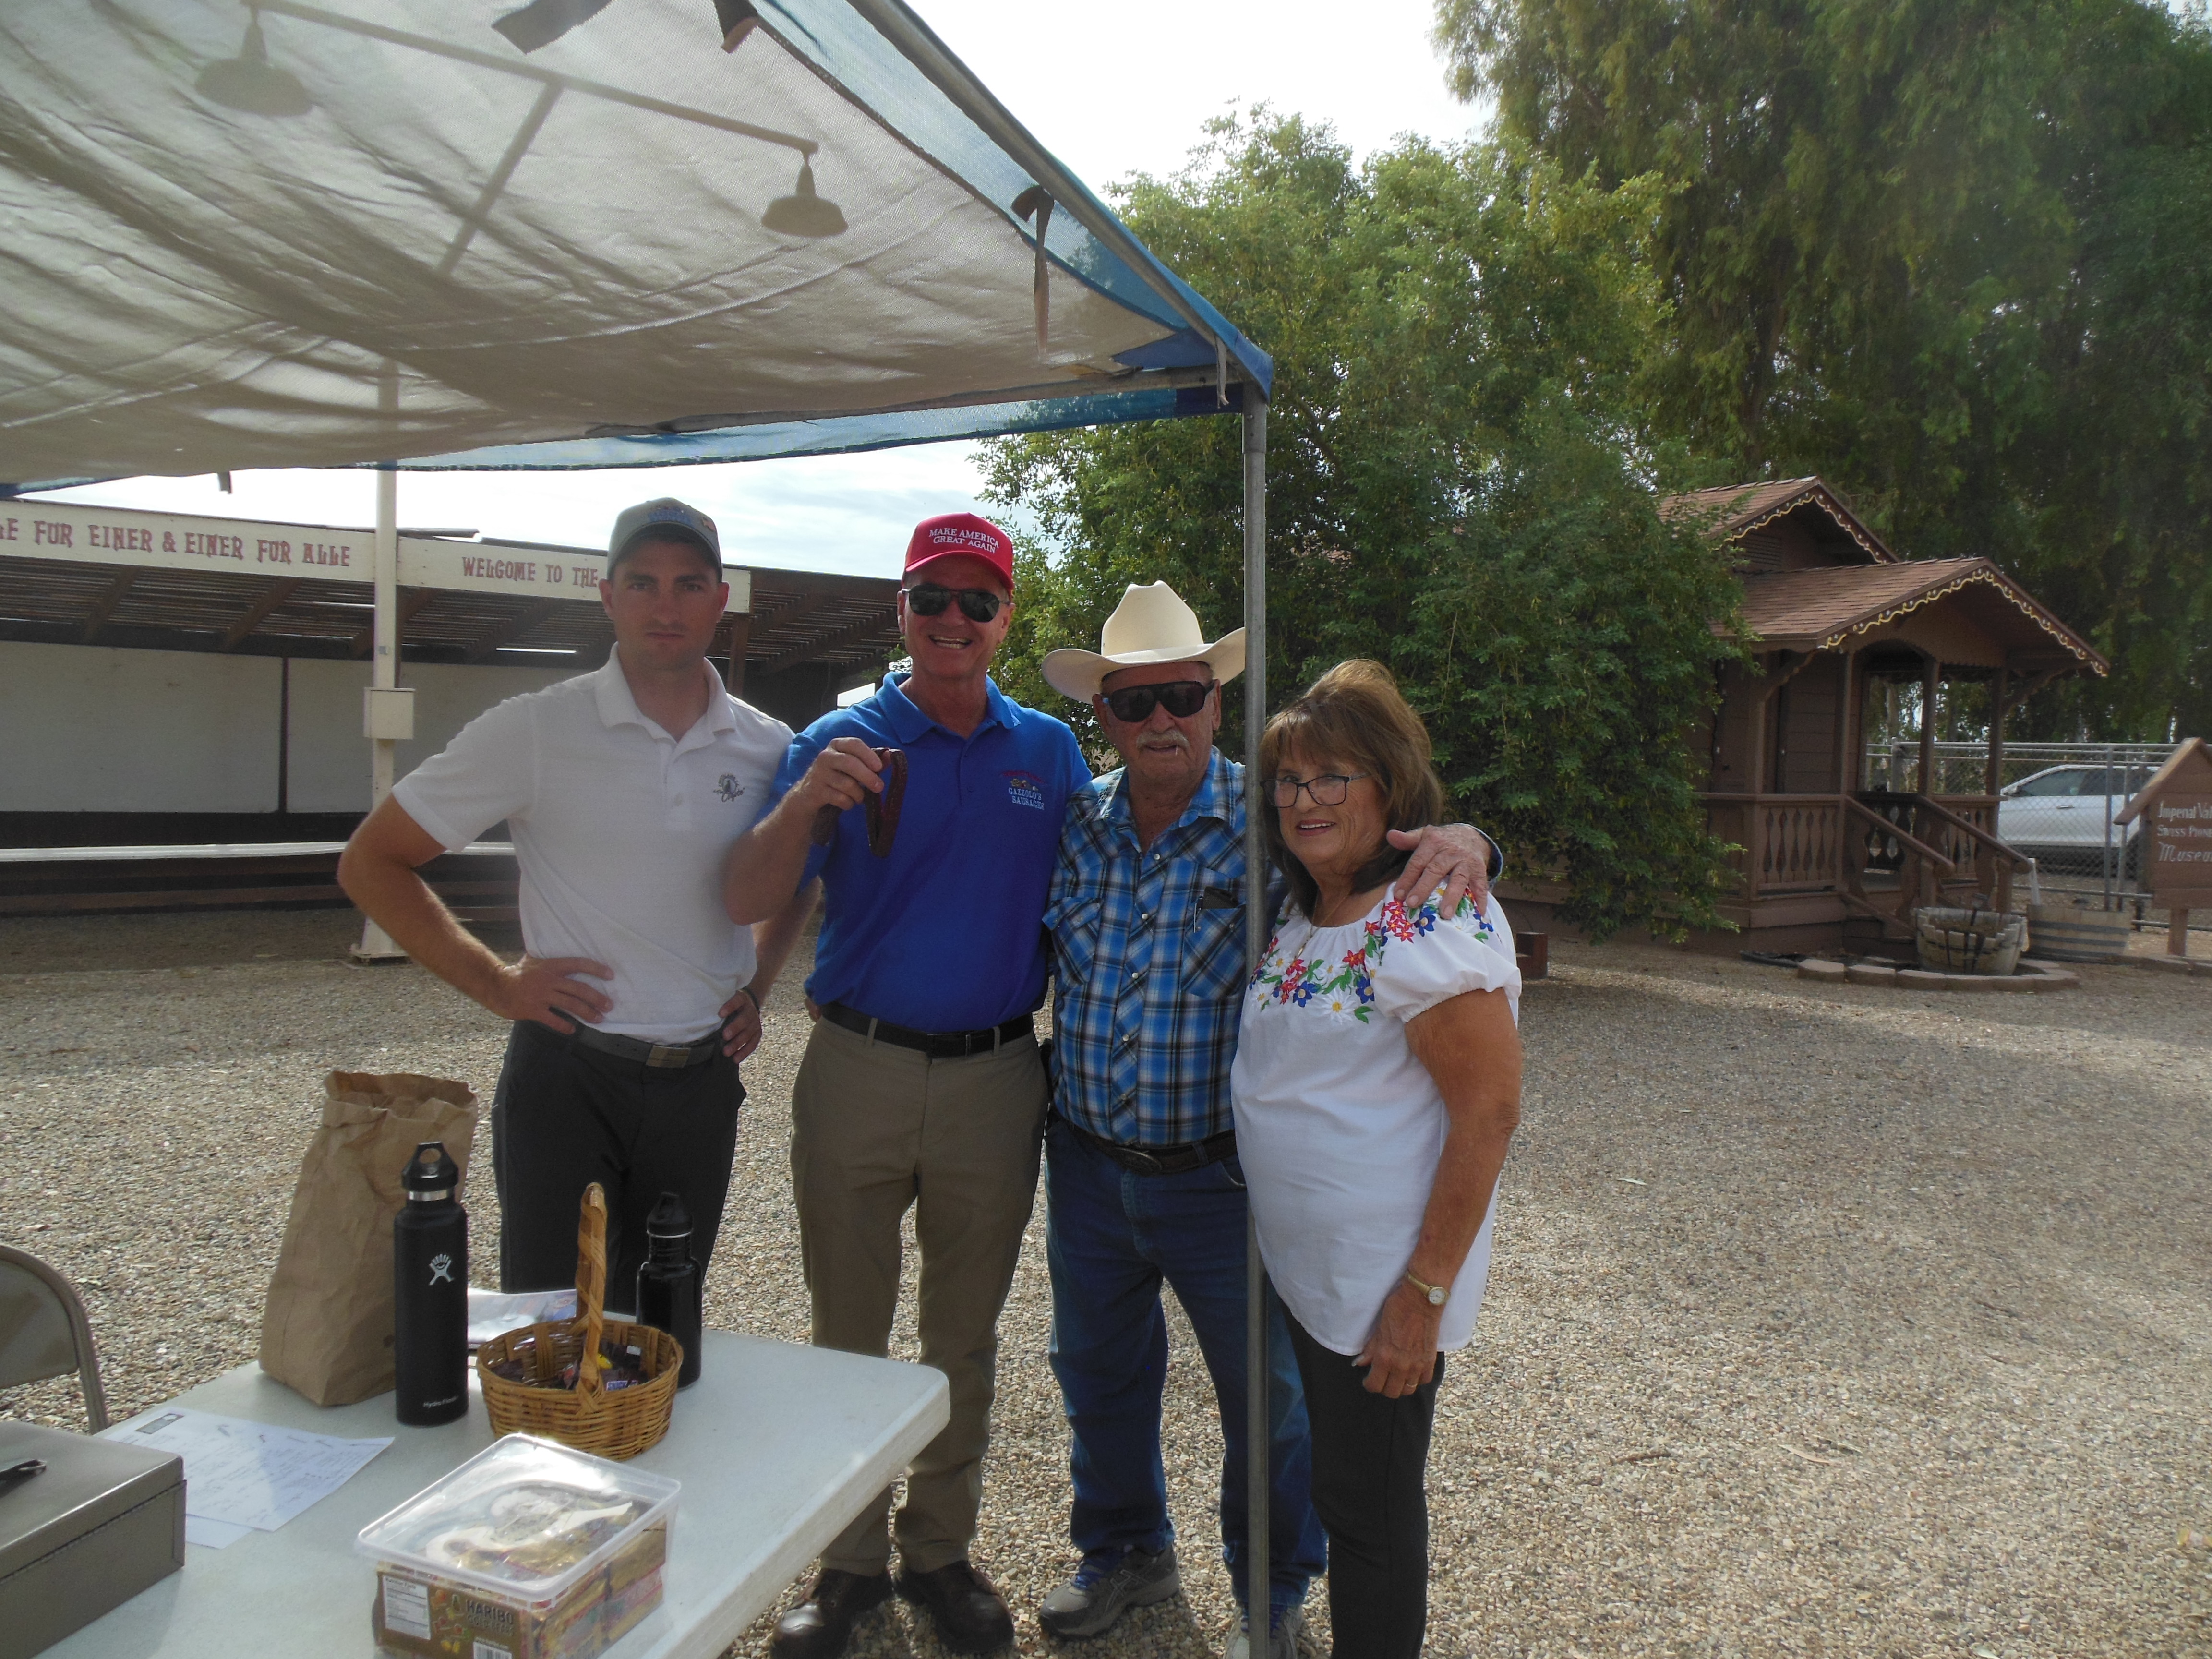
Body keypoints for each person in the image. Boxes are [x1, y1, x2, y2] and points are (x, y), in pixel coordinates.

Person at [1034, 589, 1500, 1659]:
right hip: (1090, 1165)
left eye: (1182, 694)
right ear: (1104, 715)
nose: (1161, 718)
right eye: (1135, 700)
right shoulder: (1074, 824)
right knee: (1096, 1374)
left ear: (1214, 700)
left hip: (1222, 1181)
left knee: (1267, 1406)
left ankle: (1274, 1586)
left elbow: (1392, 856)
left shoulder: (1277, 819)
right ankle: (1125, 1550)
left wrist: (1475, 842)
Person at [721, 512, 1088, 1659]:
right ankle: (846, 1567)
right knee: (847, 1331)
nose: (953, 620)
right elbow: (758, 891)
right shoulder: (843, 737)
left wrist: (1459, 841)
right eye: (934, 598)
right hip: (860, 1068)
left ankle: (939, 1554)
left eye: (979, 601)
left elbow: (1140, 847)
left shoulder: (1050, 754)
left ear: (1006, 620)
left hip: (995, 1075)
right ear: (903, 610)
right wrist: (803, 810)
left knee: (961, 1337)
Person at [338, 497, 816, 1304]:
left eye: (688, 584)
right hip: (568, 1076)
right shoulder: (535, 729)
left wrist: (759, 986)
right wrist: (498, 984)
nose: (665, 605)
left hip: (699, 1081)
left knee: (665, 1324)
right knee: (553, 1322)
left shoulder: (770, 747)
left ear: (720, 600)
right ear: (607, 596)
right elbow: (372, 862)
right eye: (642, 582)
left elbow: (800, 875)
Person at [1230, 661, 1525, 1659]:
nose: (1304, 800)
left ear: (1390, 786)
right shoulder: (1305, 909)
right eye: (1288, 779)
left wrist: (1423, 1298)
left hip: (1384, 1291)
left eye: (1332, 777)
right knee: (1346, 1493)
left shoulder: (1427, 913)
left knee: (1370, 1518)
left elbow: (1488, 1113)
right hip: (1314, 1276)